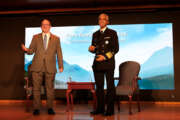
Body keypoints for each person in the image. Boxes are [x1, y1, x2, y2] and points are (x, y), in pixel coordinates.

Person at [21, 19, 63, 115]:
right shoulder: (35, 37)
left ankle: (50, 108)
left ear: (50, 26)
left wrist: (60, 65)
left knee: (50, 88)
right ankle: (36, 109)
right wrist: (26, 50)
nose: (45, 26)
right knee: (36, 89)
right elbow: (31, 51)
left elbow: (59, 53)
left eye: (47, 24)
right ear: (41, 26)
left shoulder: (56, 38)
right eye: (43, 25)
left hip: (50, 66)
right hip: (37, 66)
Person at [89, 13, 119, 116]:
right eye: (99, 19)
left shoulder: (112, 33)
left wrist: (105, 57)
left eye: (103, 19)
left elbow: (115, 49)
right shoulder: (95, 34)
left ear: (107, 21)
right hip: (97, 64)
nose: (101, 21)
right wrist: (91, 49)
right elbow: (95, 49)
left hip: (108, 63)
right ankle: (100, 109)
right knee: (99, 88)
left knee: (110, 87)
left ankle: (110, 110)